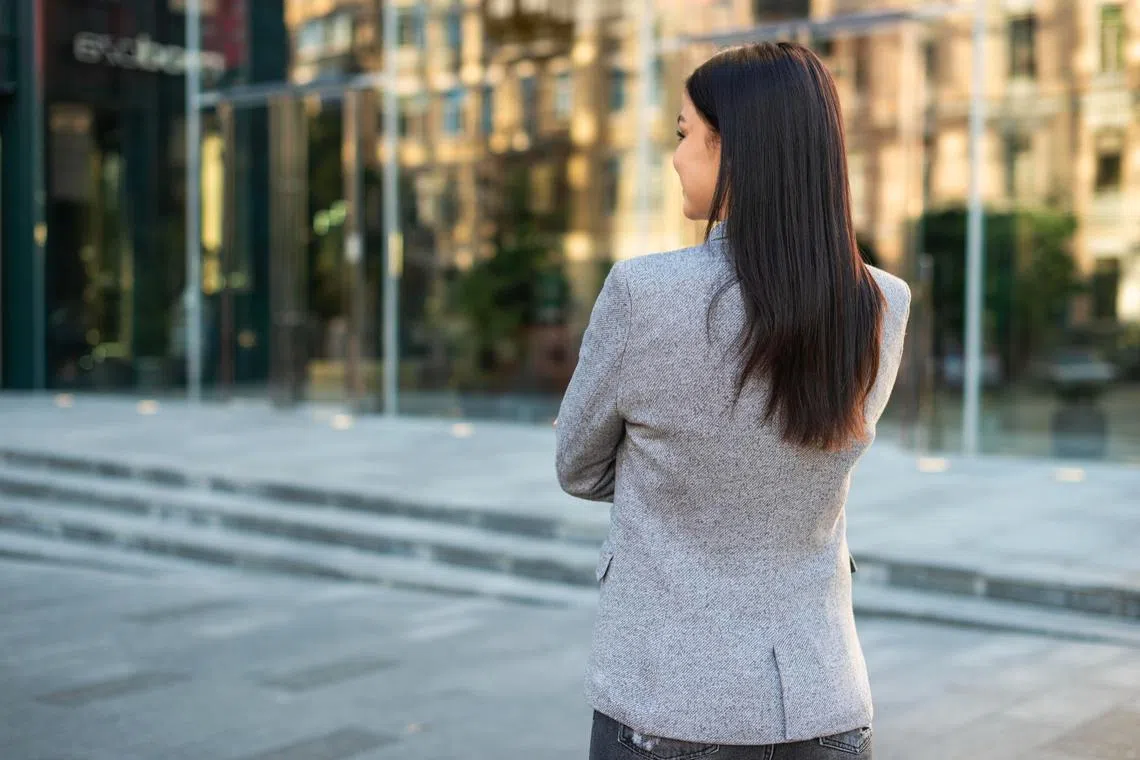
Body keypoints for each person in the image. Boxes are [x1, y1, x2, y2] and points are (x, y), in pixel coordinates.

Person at [555, 42, 911, 759]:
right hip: (826, 704)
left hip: (668, 703)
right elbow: (814, 453)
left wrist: (673, 466)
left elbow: (578, 467)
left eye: (685, 134)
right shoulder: (884, 303)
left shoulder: (642, 294)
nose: (676, 156)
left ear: (734, 149)